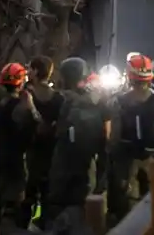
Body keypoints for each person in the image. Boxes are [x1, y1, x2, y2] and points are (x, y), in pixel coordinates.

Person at [109, 52, 154, 224]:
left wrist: (112, 154)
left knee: (128, 204)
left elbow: (114, 135)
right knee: (152, 201)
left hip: (128, 161)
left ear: (130, 77)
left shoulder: (120, 101)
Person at [44, 57, 111, 230]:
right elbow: (108, 135)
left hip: (61, 166)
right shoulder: (99, 102)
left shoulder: (59, 99)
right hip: (88, 166)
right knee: (83, 213)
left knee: (57, 210)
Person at [0, 62, 42, 230]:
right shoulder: (22, 106)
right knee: (13, 208)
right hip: (15, 163)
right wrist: (31, 106)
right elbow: (38, 127)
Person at [22, 55, 64, 229]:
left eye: (30, 68)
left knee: (28, 190)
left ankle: (21, 224)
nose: (27, 72)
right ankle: (45, 225)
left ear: (37, 71)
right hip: (52, 151)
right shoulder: (59, 98)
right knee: (47, 190)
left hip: (31, 150)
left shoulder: (27, 95)